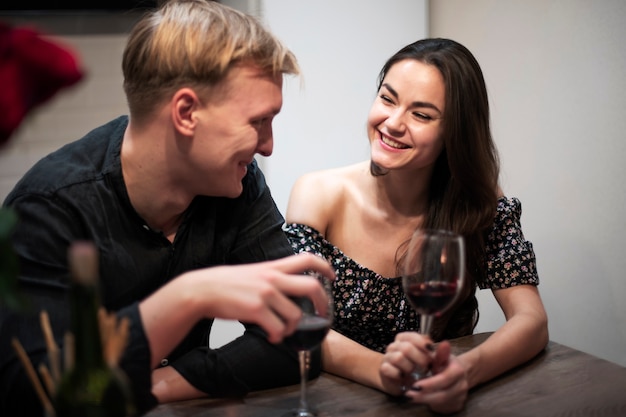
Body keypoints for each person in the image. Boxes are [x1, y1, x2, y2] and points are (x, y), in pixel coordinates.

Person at [0, 1, 336, 416]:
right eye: (258, 122)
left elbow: (297, 344)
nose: (268, 145)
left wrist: (159, 383)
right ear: (186, 113)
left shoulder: (237, 186)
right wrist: (187, 297)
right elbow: (32, 391)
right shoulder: (51, 209)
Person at [284, 38, 549, 414]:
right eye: (387, 99)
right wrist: (385, 372)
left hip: (439, 402)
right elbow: (299, 324)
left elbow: (532, 321)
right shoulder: (318, 193)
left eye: (421, 115)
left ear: (453, 133)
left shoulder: (478, 202)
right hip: (337, 404)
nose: (393, 123)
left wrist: (464, 371)